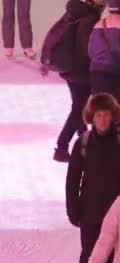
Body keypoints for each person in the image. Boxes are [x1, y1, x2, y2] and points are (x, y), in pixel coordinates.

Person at [66, 93, 120, 263]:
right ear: (92, 117)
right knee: (88, 255)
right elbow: (72, 178)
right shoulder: (84, 142)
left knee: (109, 257)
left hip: (114, 213)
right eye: (98, 115)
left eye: (106, 114)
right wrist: (73, 208)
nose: (103, 120)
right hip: (89, 212)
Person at [46, 0, 104, 162]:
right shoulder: (89, 19)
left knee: (78, 106)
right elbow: (87, 49)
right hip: (81, 71)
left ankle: (82, 137)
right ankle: (62, 146)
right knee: (79, 109)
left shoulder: (73, 12)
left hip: (70, 68)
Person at [89, 0, 120, 99]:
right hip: (116, 72)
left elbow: (91, 50)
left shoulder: (100, 23)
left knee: (103, 107)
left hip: (98, 72)